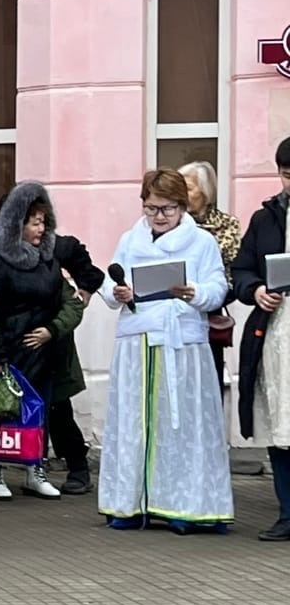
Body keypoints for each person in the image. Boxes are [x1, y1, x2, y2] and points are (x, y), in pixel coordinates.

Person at [98, 168, 232, 533]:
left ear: (182, 207)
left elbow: (218, 287)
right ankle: (130, 503)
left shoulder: (202, 242)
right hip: (137, 342)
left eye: (167, 209)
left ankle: (184, 504)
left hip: (181, 344)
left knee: (182, 424)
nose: (158, 216)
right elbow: (111, 284)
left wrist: (195, 293)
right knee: (134, 424)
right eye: (152, 208)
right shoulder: (130, 239)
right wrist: (119, 293)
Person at [0, 181, 89, 501]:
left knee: (38, 413)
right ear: (15, 223)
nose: (40, 228)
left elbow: (69, 279)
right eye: (34, 222)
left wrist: (53, 326)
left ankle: (35, 469)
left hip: (43, 352)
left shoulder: (47, 255)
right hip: (7, 349)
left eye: (43, 221)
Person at [233, 138, 290, 540]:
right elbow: (241, 269)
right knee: (277, 422)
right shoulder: (265, 218)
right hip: (275, 330)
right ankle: (288, 512)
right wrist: (255, 291)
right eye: (287, 175)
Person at [180, 161, 242, 387]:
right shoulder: (170, 225)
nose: (182, 194)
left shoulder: (226, 225)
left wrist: (207, 294)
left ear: (205, 192)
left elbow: (234, 271)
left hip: (209, 309)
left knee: (208, 380)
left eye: (188, 188)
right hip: (174, 310)